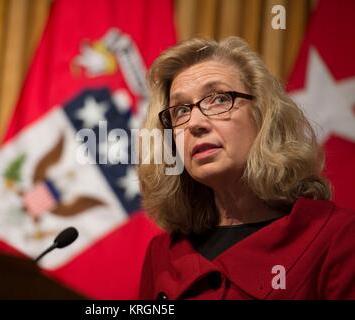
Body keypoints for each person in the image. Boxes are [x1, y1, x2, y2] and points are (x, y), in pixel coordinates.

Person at [137, 36, 355, 300]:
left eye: (218, 99)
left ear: (262, 115)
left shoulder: (336, 237)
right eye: (181, 110)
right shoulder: (163, 254)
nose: (195, 123)